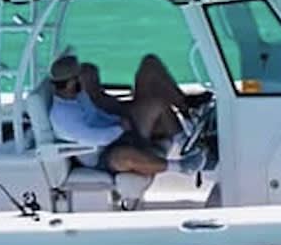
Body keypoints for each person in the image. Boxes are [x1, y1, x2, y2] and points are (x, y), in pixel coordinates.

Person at [46, 53, 191, 176]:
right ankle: (183, 166)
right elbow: (94, 139)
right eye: (79, 76)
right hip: (102, 154)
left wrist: (117, 120)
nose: (82, 78)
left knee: (156, 103)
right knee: (125, 158)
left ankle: (186, 142)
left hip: (115, 135)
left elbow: (96, 114)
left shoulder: (77, 96)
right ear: (72, 82)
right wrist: (119, 129)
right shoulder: (63, 116)